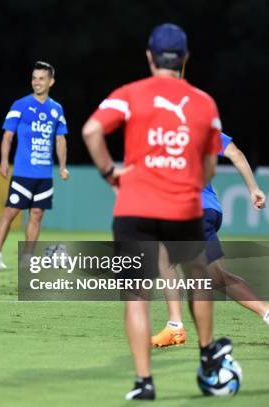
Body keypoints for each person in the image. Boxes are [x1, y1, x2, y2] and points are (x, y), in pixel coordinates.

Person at [82, 23, 230, 400]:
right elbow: (212, 164)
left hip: (134, 206)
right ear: (185, 58)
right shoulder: (204, 103)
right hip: (182, 205)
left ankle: (144, 382)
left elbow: (90, 132)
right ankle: (207, 354)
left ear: (149, 56)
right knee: (198, 276)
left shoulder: (130, 93)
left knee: (135, 295)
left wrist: (110, 173)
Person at [152, 133, 268, 347]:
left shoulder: (161, 134)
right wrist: (253, 189)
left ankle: (175, 328)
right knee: (216, 278)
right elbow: (236, 153)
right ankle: (266, 312)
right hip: (210, 210)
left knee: (165, 259)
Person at [0, 61, 69, 269]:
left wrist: (62, 166)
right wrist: (4, 161)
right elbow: (8, 135)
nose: (37, 82)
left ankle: (27, 258)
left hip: (44, 175)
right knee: (11, 211)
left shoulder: (56, 109)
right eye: (34, 78)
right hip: (23, 173)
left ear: (51, 81)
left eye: (41, 78)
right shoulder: (20, 105)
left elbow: (60, 140)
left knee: (37, 215)